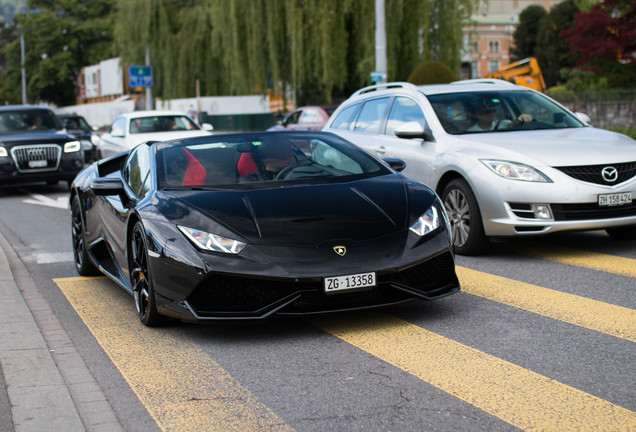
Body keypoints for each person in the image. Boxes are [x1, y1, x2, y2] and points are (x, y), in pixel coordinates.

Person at [467, 96, 532, 132]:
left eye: (494, 111)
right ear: (478, 114)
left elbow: (512, 124)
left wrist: (524, 118)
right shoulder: (471, 131)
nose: (492, 114)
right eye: (487, 112)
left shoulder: (503, 124)